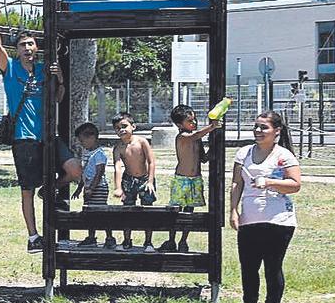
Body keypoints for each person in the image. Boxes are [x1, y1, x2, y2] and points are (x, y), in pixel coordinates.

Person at [0, 1, 82, 253]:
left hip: (48, 135)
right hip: (23, 138)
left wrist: (59, 78)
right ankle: (33, 237)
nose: (27, 48)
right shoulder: (10, 68)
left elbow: (59, 97)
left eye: (30, 44)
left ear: (36, 47)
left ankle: (50, 189)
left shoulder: (44, 70)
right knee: (27, 189)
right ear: (16, 50)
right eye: (22, 45)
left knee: (73, 170)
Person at [227, 111, 302, 303]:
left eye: (264, 127)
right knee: (248, 265)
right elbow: (236, 183)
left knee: (272, 265)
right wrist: (233, 210)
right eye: (256, 127)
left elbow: (295, 185)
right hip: (250, 218)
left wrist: (269, 182)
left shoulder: (284, 156)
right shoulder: (243, 153)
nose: (258, 131)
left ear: (276, 131)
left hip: (278, 220)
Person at [162, 104, 223, 252]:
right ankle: (171, 240)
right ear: (179, 124)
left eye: (195, 120)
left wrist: (214, 147)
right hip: (182, 180)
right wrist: (212, 127)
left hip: (195, 180)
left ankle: (183, 241)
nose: (194, 123)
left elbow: (203, 158)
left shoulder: (197, 139)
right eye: (190, 121)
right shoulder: (182, 137)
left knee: (189, 213)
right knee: (176, 212)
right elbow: (193, 136)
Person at [110, 112, 157, 251]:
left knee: (147, 210)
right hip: (128, 180)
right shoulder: (118, 148)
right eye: (118, 128)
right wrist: (118, 187)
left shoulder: (142, 142)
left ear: (133, 126)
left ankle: (148, 242)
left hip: (144, 178)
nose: (121, 130)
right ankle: (126, 240)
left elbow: (151, 162)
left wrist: (150, 181)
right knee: (127, 210)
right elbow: (118, 167)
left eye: (124, 126)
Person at [73, 122, 114, 248]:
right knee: (89, 212)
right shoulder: (86, 152)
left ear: (92, 138)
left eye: (82, 140)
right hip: (88, 188)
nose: (81, 143)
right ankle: (91, 237)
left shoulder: (99, 154)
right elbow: (84, 171)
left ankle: (109, 237)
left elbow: (99, 173)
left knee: (101, 212)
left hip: (98, 188)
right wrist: (80, 188)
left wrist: (92, 188)